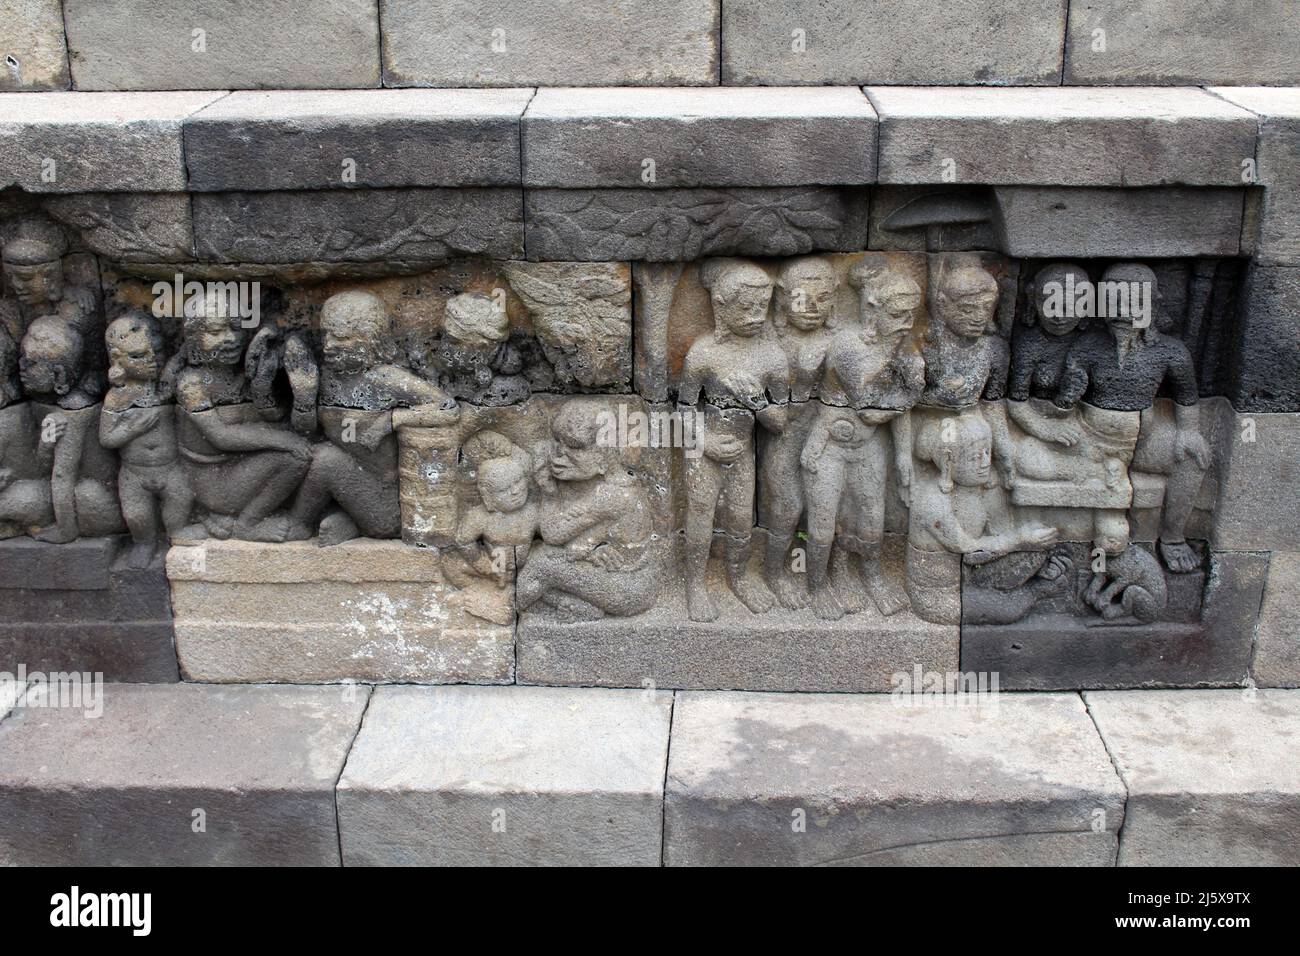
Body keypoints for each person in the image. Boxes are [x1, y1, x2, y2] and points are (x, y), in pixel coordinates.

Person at [678, 259, 790, 622]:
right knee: (700, 512)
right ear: (721, 307)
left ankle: (738, 576)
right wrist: (704, 441)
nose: (756, 315)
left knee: (742, 519)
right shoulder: (704, 353)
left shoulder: (772, 356)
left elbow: (779, 422)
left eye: (762, 306)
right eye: (746, 307)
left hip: (743, 449)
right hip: (704, 446)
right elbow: (683, 409)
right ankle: (695, 584)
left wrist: (757, 402)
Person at [98, 312, 193, 567]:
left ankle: (176, 540)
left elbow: (178, 364)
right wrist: (133, 428)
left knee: (179, 507)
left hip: (171, 467)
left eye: (157, 351)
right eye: (139, 356)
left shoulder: (165, 387)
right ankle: (145, 542)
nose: (152, 361)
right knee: (137, 516)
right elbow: (106, 437)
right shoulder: (118, 397)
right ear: (117, 360)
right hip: (134, 472)